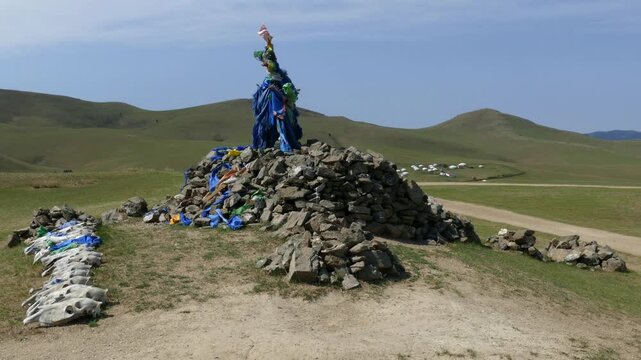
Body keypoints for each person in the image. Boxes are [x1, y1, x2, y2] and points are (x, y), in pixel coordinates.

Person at [251, 25, 303, 152]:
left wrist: (268, 42)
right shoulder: (272, 69)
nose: (265, 64)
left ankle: (283, 140)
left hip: (274, 89)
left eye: (266, 62)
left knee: (280, 114)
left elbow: (272, 61)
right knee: (268, 115)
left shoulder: (275, 68)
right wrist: (268, 41)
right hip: (269, 88)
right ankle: (271, 140)